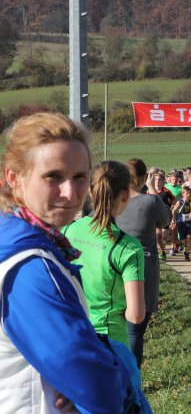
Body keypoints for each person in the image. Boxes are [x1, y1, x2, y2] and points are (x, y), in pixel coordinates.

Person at [0, 112, 133, 412]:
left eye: (79, 177)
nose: (70, 193)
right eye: (53, 177)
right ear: (14, 178)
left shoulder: (13, 236)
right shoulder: (29, 265)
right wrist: (112, 374)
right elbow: (95, 385)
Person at [63, 161, 146, 347]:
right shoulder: (128, 248)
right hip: (109, 344)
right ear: (126, 194)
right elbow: (135, 315)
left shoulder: (67, 231)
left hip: (71, 337)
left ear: (90, 192)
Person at [116, 157, 172, 367]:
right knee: (135, 330)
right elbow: (166, 220)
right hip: (143, 267)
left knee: (117, 325)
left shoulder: (115, 201)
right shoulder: (150, 201)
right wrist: (153, 190)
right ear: (143, 177)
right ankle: (132, 375)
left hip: (115, 264)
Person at [171, 185, 191, 261]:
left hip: (189, 223)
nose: (188, 195)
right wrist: (173, 219)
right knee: (183, 241)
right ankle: (182, 245)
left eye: (189, 193)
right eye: (187, 193)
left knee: (189, 238)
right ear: (183, 194)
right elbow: (174, 211)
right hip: (181, 223)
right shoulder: (179, 202)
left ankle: (187, 254)